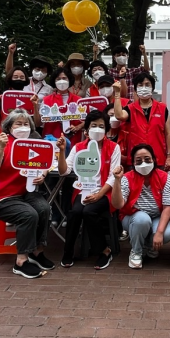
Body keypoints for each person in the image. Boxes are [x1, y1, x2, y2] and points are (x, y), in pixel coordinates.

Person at [0, 109, 53, 279]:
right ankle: (21, 261)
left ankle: (37, 252)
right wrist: (1, 147)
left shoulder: (31, 145)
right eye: (18, 124)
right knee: (28, 215)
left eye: (26, 124)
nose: (23, 127)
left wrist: (42, 175)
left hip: (23, 194)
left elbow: (44, 164)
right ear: (9, 127)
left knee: (44, 208)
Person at [56, 110, 121, 270]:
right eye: (94, 126)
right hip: (82, 192)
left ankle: (104, 251)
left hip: (105, 193)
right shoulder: (78, 147)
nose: (97, 129)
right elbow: (64, 171)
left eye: (101, 126)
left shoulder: (114, 148)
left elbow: (113, 176)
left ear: (107, 130)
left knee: (89, 212)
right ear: (86, 130)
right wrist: (62, 151)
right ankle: (68, 251)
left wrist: (99, 194)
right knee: (75, 212)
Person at [112, 144, 170, 269]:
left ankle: (149, 246)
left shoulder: (164, 177)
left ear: (154, 159)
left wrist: (159, 233)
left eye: (147, 159)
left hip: (157, 216)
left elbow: (168, 206)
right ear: (133, 163)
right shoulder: (127, 178)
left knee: (167, 233)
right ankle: (136, 251)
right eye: (139, 161)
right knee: (142, 219)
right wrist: (117, 181)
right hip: (133, 218)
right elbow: (118, 204)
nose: (143, 163)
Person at [113, 72, 170, 171]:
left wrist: (169, 157)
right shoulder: (131, 108)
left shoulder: (162, 108)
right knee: (135, 186)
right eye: (140, 85)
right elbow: (119, 115)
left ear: (152, 88)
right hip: (136, 159)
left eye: (147, 84)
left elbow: (168, 134)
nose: (144, 88)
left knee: (158, 186)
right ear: (136, 89)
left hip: (158, 159)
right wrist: (117, 94)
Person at [39, 67, 84, 145]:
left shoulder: (79, 100)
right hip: (52, 139)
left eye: (64, 78)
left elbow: (87, 120)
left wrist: (78, 127)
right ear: (54, 81)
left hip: (74, 139)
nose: (61, 81)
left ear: (69, 80)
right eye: (58, 79)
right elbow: (39, 123)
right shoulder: (46, 100)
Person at [0, 66, 30, 135]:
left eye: (22, 77)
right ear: (10, 79)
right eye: (15, 77)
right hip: (4, 139)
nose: (19, 79)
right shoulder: (3, 98)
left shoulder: (30, 98)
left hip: (24, 138)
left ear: (26, 80)